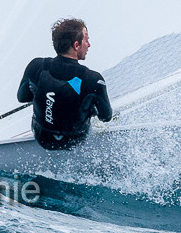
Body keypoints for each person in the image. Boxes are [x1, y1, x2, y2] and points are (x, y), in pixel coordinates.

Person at [18, 18, 112, 149]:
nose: (89, 45)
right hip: (74, 140)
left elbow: (22, 98)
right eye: (86, 40)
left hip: (42, 138)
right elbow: (106, 117)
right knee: (88, 102)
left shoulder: (36, 66)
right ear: (76, 45)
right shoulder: (93, 79)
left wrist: (47, 96)